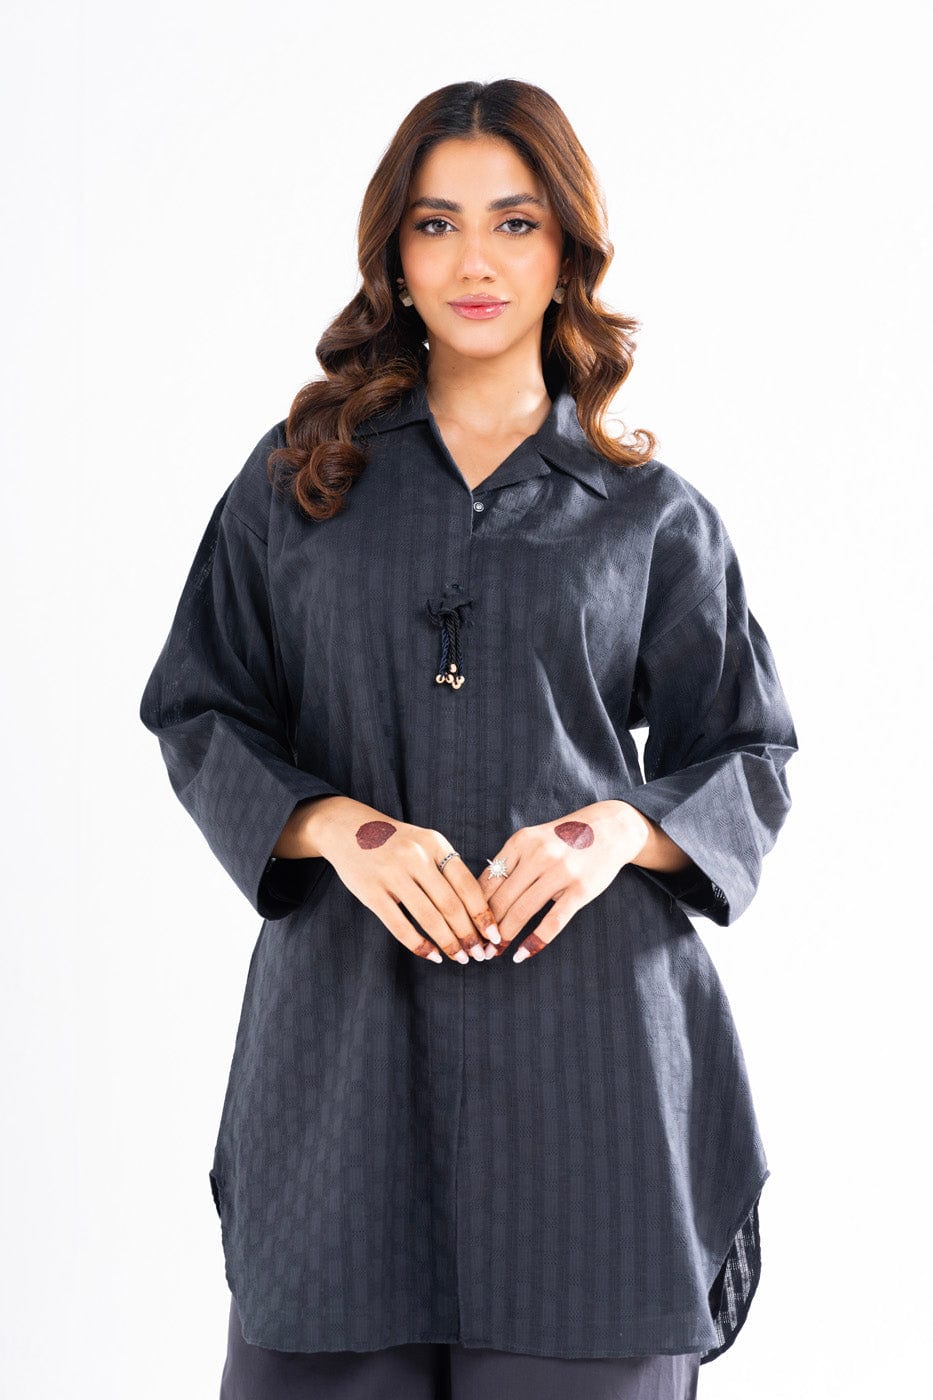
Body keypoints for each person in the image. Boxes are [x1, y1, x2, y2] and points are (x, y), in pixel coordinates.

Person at [139, 78, 798, 1400]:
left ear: (566, 253)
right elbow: (199, 705)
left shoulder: (647, 513)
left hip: (595, 1068)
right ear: (395, 255)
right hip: (344, 1057)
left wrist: (612, 830)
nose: (475, 261)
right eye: (437, 224)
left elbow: (747, 750)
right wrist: (339, 827)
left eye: (515, 222)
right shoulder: (297, 483)